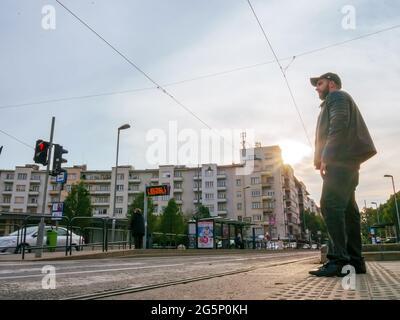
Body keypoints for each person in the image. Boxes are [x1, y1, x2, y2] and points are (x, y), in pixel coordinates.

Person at [309, 72, 377, 277]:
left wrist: (327, 156)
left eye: (319, 83)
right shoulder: (336, 99)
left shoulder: (336, 97)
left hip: (340, 160)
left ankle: (339, 261)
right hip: (347, 160)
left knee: (330, 205)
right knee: (348, 211)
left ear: (331, 83)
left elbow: (338, 124)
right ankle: (355, 262)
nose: (316, 88)